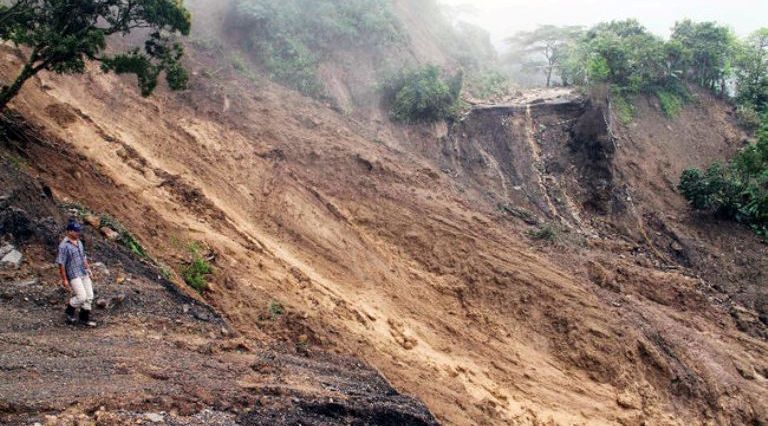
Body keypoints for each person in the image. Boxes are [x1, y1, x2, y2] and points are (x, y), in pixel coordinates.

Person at [56, 221, 96, 327]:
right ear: (69, 231)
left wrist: (88, 269)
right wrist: (64, 279)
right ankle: (69, 312)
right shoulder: (64, 246)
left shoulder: (79, 242)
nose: (78, 233)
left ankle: (84, 318)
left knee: (89, 296)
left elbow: (83, 257)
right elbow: (61, 264)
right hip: (73, 274)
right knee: (81, 296)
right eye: (76, 231)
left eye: (79, 231)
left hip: (83, 272)